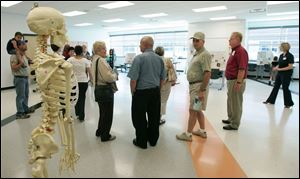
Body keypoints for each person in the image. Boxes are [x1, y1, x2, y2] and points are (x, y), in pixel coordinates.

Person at [127, 36, 165, 149]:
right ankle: (153, 140)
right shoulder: (159, 59)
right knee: (154, 116)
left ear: (145, 45)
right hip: (155, 92)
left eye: (140, 44)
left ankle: (141, 141)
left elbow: (133, 79)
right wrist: (158, 90)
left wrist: (133, 92)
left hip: (141, 93)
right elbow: (163, 78)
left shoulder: (139, 58)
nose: (139, 46)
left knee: (139, 117)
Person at [176, 32, 211, 141]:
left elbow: (207, 73)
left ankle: (188, 134)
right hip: (194, 86)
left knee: (193, 110)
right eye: (194, 40)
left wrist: (202, 90)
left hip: (198, 87)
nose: (195, 43)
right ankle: (202, 131)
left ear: (203, 41)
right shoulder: (197, 53)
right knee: (198, 109)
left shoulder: (204, 54)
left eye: (197, 40)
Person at [92, 41, 118, 142]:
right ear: (98, 50)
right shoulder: (101, 61)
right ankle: (105, 135)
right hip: (105, 90)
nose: (106, 50)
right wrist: (115, 75)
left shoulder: (94, 59)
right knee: (107, 114)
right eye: (104, 48)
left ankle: (99, 131)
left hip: (98, 89)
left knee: (103, 112)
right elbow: (108, 77)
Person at [222, 32, 248, 130]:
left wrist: (239, 82)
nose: (229, 40)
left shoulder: (241, 51)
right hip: (230, 80)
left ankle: (235, 124)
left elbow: (242, 69)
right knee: (231, 101)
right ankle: (231, 118)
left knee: (236, 102)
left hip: (236, 81)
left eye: (231, 38)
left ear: (237, 39)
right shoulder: (234, 51)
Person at [263, 42, 294, 108]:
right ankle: (271, 100)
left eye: (281, 47)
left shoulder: (290, 56)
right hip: (280, 73)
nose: (280, 48)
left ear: (284, 48)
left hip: (286, 74)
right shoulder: (281, 55)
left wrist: (280, 69)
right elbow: (279, 64)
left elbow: (290, 66)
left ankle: (289, 104)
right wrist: (276, 68)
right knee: (276, 86)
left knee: (285, 88)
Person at [10, 40, 35, 119]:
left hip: (25, 78)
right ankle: (20, 113)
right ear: (19, 46)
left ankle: (25, 109)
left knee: (26, 95)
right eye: (23, 44)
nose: (25, 45)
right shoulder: (14, 56)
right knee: (20, 96)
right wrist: (21, 63)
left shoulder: (23, 55)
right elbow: (13, 68)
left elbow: (27, 64)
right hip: (19, 78)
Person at [67, 45, 93, 122]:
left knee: (76, 97)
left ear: (74, 51)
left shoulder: (70, 60)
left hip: (74, 82)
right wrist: (92, 80)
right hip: (84, 82)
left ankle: (77, 113)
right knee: (82, 98)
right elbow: (89, 72)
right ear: (82, 52)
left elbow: (65, 68)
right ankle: (82, 116)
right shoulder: (85, 60)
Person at [154, 46, 176, 125]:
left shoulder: (153, 60)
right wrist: (173, 81)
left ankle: (153, 118)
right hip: (165, 84)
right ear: (163, 52)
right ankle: (158, 119)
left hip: (154, 84)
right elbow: (172, 72)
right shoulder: (167, 60)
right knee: (162, 101)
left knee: (154, 102)